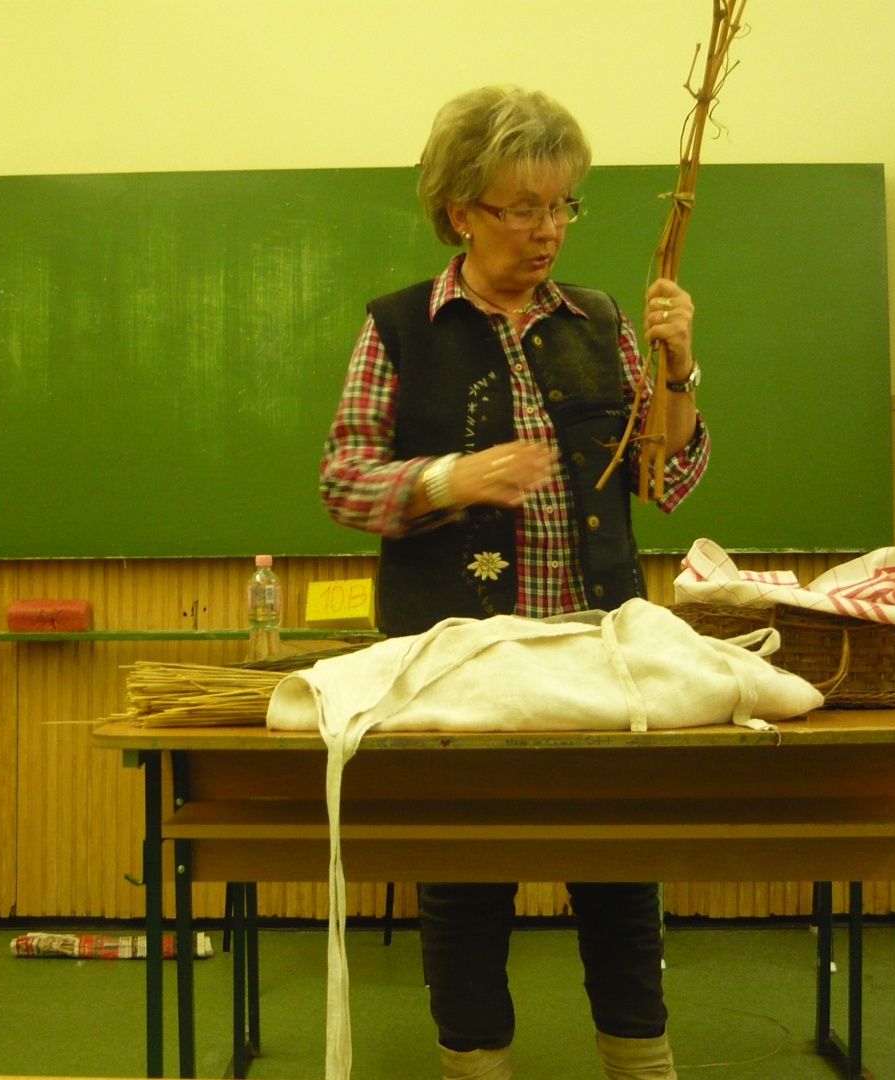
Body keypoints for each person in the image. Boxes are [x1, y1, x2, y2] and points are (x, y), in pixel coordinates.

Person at [319, 86, 711, 1080]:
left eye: (561, 206)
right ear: (461, 210)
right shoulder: (400, 327)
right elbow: (343, 481)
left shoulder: (600, 320)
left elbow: (662, 480)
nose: (548, 231)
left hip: (596, 651)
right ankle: (475, 1067)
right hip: (459, 661)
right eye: (522, 208)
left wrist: (678, 368)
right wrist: (451, 479)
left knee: (620, 875)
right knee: (463, 882)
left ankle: (642, 1061)